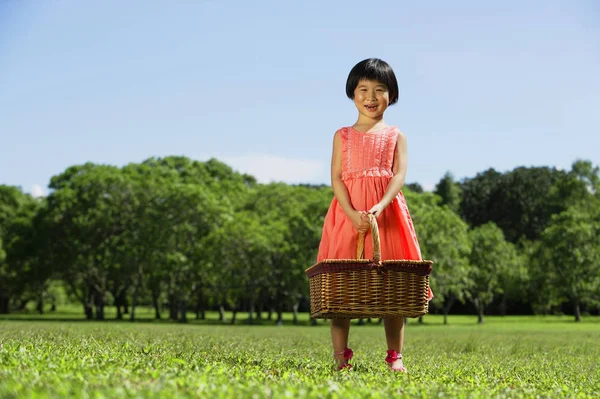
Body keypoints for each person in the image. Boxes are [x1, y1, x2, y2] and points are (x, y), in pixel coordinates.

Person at [317, 58, 433, 372]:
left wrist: (380, 206)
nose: (371, 96)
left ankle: (395, 356)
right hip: (348, 211)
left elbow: (398, 174)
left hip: (387, 212)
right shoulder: (342, 135)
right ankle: (341, 357)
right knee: (341, 283)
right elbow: (337, 177)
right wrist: (351, 213)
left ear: (391, 96)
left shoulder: (397, 135)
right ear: (352, 94)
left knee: (392, 281)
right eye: (363, 89)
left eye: (380, 90)